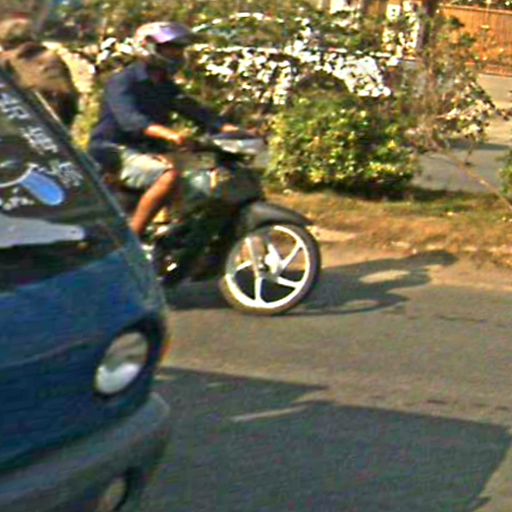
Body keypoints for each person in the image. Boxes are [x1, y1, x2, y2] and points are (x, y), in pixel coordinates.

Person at [88, 21, 239, 237]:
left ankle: (177, 233)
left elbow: (197, 112)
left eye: (180, 48)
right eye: (171, 48)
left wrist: (234, 131)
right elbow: (130, 120)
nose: (177, 54)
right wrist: (171, 135)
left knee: (207, 171)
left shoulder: (166, 86)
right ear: (148, 47)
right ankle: (132, 239)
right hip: (114, 151)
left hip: (151, 151)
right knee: (168, 176)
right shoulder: (123, 81)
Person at [0, 15, 79, 127]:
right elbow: (68, 94)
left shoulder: (6, 62)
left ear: (5, 42)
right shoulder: (51, 56)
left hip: (24, 126)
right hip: (57, 123)